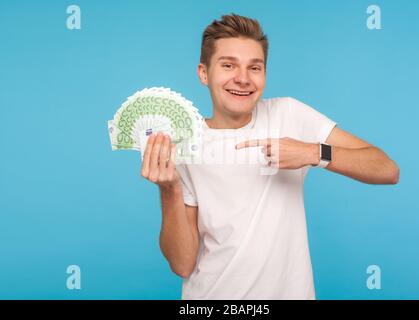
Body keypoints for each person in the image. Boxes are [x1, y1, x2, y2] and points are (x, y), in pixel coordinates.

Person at [140, 13, 400, 300]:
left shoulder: (288, 115)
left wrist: (313, 152)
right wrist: (169, 189)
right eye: (228, 65)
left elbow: (387, 169)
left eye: (255, 67)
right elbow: (182, 263)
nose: (242, 78)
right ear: (204, 73)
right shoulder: (185, 143)